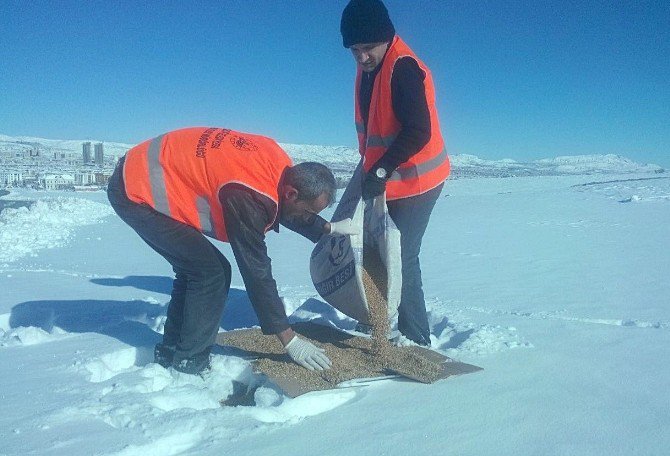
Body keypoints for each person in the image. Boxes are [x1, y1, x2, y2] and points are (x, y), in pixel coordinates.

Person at [107, 127, 357, 375]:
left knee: (196, 270)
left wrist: (327, 227)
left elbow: (283, 206)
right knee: (209, 273)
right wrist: (288, 338)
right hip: (135, 191)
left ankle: (173, 349)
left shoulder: (281, 169)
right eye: (309, 212)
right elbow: (256, 270)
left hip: (143, 172)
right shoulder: (245, 196)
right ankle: (189, 363)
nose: (307, 216)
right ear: (292, 192)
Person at [340, 0, 451, 346]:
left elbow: (419, 130)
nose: (361, 57)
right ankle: (379, 319)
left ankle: (416, 338)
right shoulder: (371, 67)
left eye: (366, 48)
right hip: (386, 178)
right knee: (375, 249)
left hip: (418, 179)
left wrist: (384, 168)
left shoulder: (402, 67)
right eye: (354, 50)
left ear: (385, 38)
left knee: (402, 255)